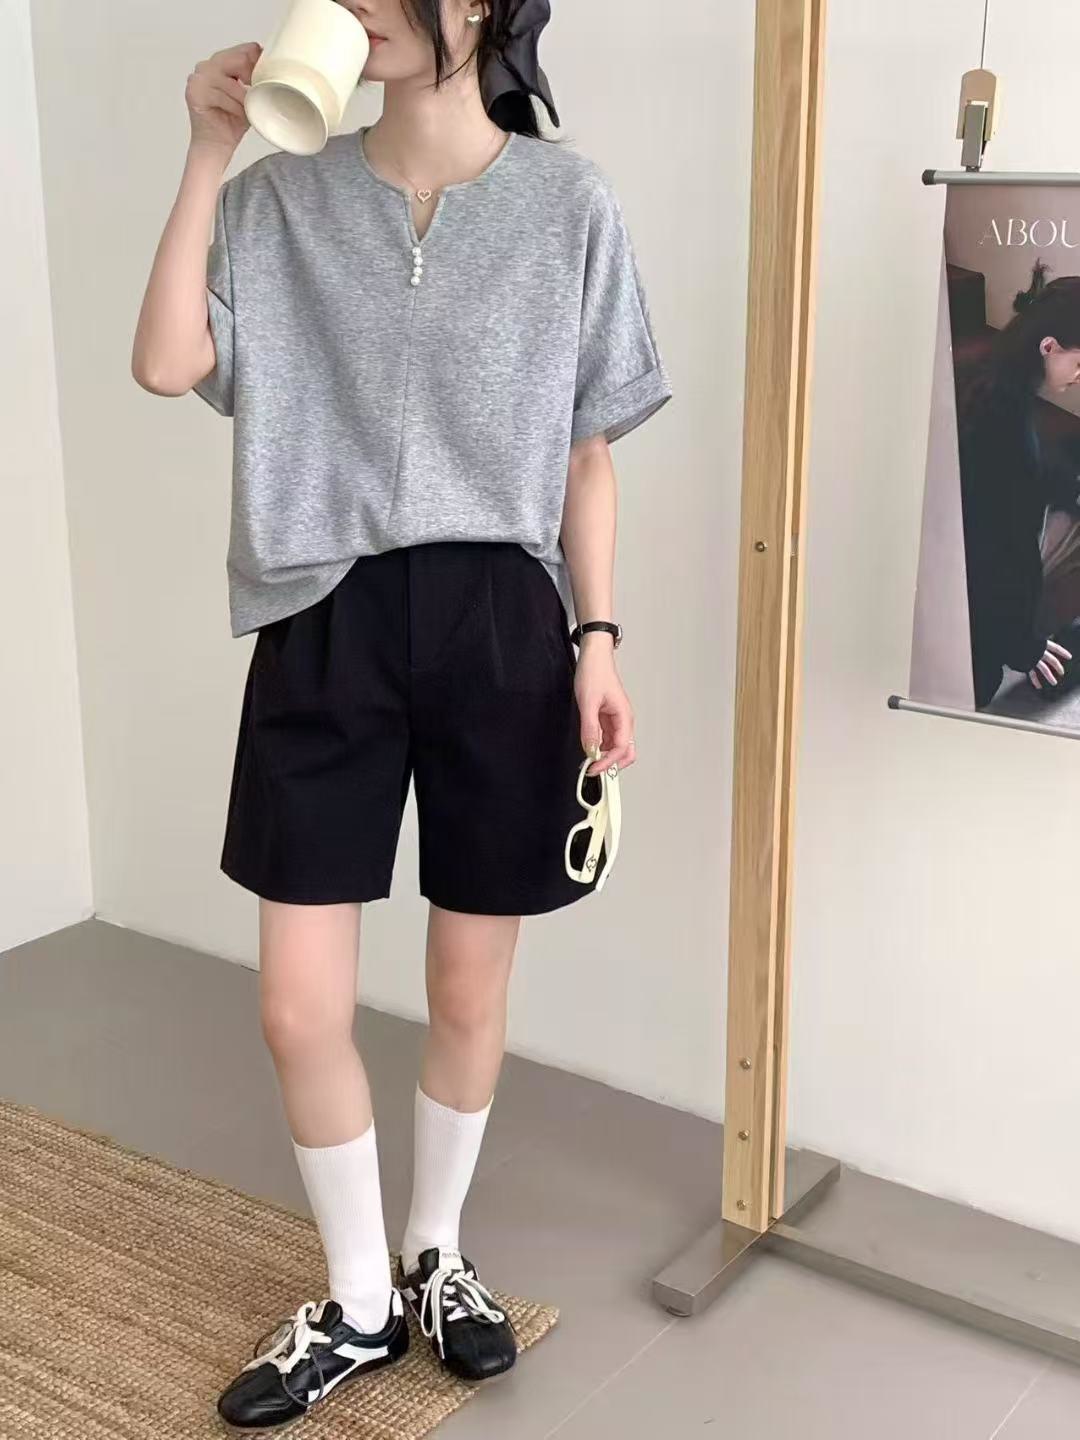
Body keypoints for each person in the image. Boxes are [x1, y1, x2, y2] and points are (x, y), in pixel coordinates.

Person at [131, 0, 672, 1429]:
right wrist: (207, 148)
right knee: (296, 1005)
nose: (356, 7)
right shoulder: (277, 200)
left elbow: (587, 454)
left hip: (505, 620)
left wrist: (598, 642)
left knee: (467, 990)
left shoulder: (568, 204)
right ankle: (360, 1297)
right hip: (323, 614)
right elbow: (168, 361)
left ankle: (435, 1255)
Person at [955, 259, 1080, 709]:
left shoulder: (996, 375)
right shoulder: (1002, 425)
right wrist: (1023, 643)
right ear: (1049, 346)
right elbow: (1002, 550)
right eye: (1079, 362)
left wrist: (1067, 486)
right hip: (982, 619)